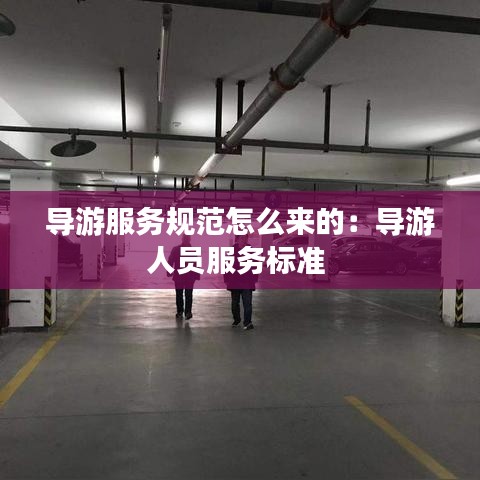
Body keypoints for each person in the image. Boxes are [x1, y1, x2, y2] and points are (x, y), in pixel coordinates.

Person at [224, 235, 258, 331]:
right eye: (242, 238)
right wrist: (226, 279)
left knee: (247, 303)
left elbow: (255, 265)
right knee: (235, 303)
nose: (244, 240)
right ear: (238, 239)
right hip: (234, 281)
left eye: (245, 238)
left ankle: (248, 322)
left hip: (247, 282)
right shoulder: (232, 251)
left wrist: (255, 278)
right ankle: (237, 319)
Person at [168, 234, 200, 321]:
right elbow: (197, 263)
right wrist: (197, 276)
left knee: (180, 294)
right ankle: (187, 312)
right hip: (188, 276)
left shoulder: (176, 249)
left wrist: (169, 272)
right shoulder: (192, 250)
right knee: (187, 295)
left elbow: (170, 260)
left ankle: (181, 312)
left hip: (181, 276)